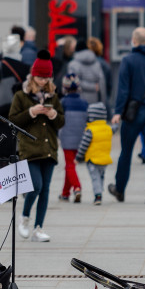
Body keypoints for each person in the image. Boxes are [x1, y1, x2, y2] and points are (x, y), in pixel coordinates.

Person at [9, 50, 64, 242]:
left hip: (49, 149)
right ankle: (24, 218)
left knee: (46, 189)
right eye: (40, 77)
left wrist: (53, 115)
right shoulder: (21, 95)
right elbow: (13, 120)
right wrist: (31, 111)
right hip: (30, 148)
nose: (42, 81)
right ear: (33, 75)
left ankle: (39, 228)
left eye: (46, 77)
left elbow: (61, 122)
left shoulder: (53, 96)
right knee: (36, 186)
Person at [109, 28, 145, 205]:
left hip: (132, 114)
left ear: (133, 41)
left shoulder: (128, 60)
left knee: (126, 152)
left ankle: (120, 189)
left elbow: (123, 89)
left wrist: (118, 112)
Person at [0, 34, 30, 167]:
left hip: (0, 117)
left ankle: (7, 187)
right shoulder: (26, 68)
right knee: (19, 163)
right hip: (19, 117)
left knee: (3, 161)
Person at [76, 102, 115, 205]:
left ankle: (98, 196)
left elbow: (83, 146)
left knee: (95, 178)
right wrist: (117, 123)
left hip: (92, 160)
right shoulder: (108, 128)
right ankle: (99, 192)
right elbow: (115, 129)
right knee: (101, 176)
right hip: (104, 160)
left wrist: (78, 157)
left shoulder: (90, 130)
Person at [58, 74, 87, 203]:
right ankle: (65, 193)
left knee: (69, 165)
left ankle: (77, 187)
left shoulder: (63, 103)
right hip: (81, 139)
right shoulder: (84, 103)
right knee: (70, 165)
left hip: (67, 138)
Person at [67, 39, 108, 105]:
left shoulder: (72, 64)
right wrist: (103, 102)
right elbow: (102, 83)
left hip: (78, 103)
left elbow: (73, 83)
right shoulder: (96, 63)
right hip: (94, 103)